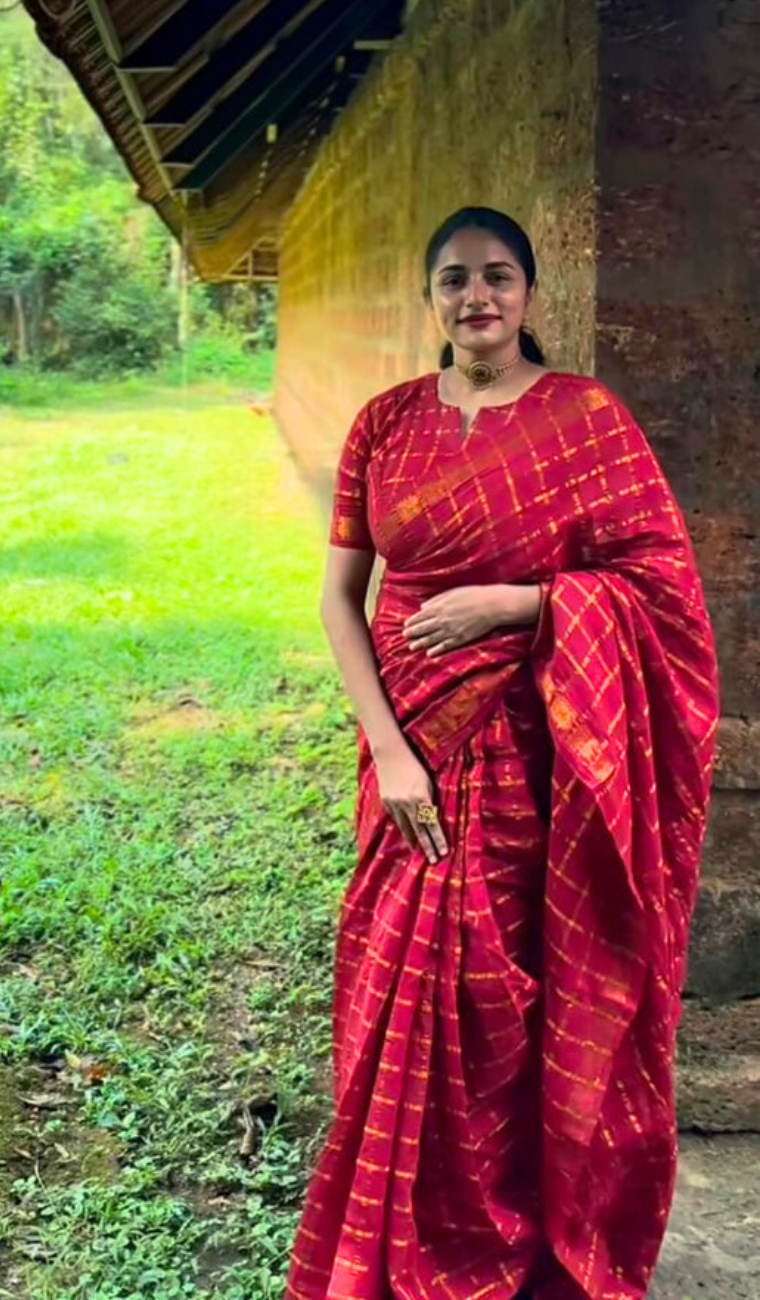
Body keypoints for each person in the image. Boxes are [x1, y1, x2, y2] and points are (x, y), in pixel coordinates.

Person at [284, 207, 719, 1300]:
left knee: (507, 1001)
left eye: (496, 277)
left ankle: (513, 1242)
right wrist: (387, 751)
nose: (475, 297)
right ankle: (401, 1237)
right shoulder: (384, 424)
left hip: (536, 758)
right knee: (397, 984)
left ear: (530, 293)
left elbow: (662, 593)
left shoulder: (586, 420)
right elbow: (341, 599)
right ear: (429, 297)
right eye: (453, 279)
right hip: (405, 748)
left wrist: (523, 606)